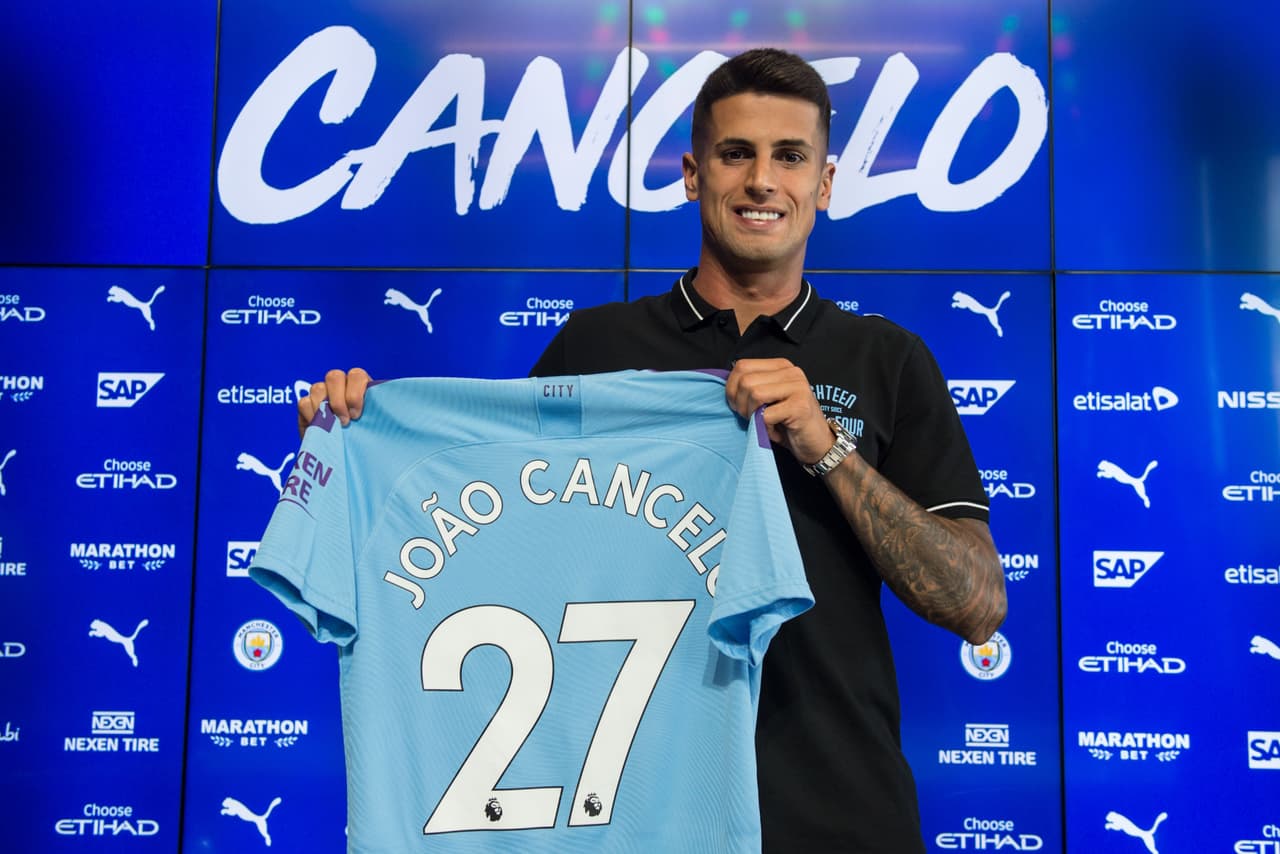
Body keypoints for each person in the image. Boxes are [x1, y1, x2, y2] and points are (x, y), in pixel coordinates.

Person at [300, 47, 1005, 853]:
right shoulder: (595, 349)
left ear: (825, 183)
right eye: (735, 154)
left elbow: (976, 603)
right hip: (634, 818)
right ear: (692, 175)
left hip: (837, 814)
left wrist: (828, 449)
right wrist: (355, 452)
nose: (762, 181)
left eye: (790, 156)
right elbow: (483, 543)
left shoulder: (888, 359)